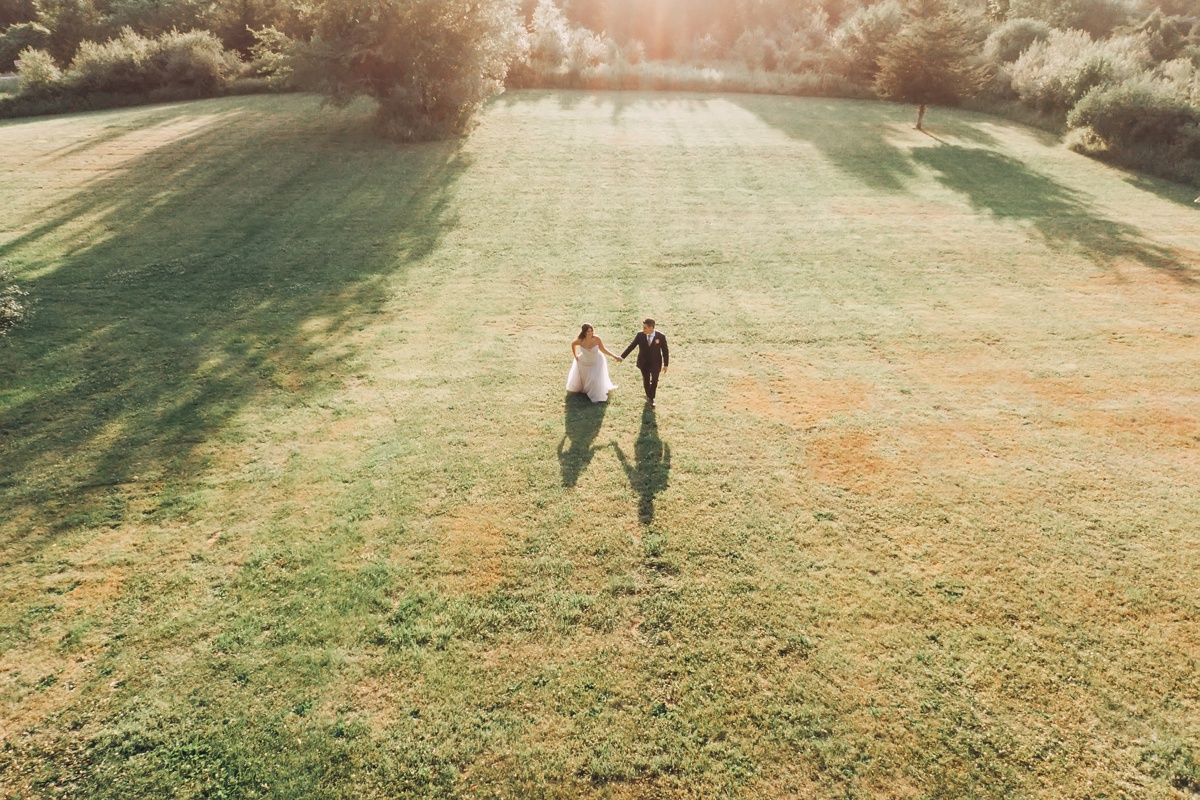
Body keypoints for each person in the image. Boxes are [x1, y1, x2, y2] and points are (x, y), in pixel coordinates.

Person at [620, 318, 669, 408]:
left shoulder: (660, 336)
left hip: (656, 363)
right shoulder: (640, 335)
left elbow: (665, 351)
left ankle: (651, 397)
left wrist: (666, 365)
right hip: (644, 363)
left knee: (654, 381)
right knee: (646, 381)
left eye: (645, 328)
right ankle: (650, 398)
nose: (643, 330)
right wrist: (622, 357)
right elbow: (632, 346)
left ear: (651, 328)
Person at [566, 324, 621, 403]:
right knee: (586, 377)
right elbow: (573, 344)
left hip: (596, 361)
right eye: (588, 331)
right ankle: (587, 390)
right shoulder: (581, 340)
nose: (591, 333)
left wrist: (614, 356)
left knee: (594, 378)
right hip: (584, 361)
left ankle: (596, 396)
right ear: (584, 332)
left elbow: (603, 349)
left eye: (592, 331)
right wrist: (575, 356)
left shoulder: (597, 339)